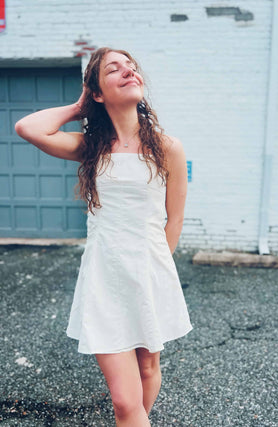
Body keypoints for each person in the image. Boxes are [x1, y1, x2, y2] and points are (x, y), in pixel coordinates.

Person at [15, 47, 193, 426]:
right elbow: (28, 128)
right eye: (115, 70)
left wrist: (157, 276)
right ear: (97, 92)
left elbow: (174, 221)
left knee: (147, 372)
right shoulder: (90, 148)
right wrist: (78, 108)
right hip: (104, 277)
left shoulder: (168, 149)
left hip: (149, 273)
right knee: (125, 402)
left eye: (132, 67)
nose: (129, 72)